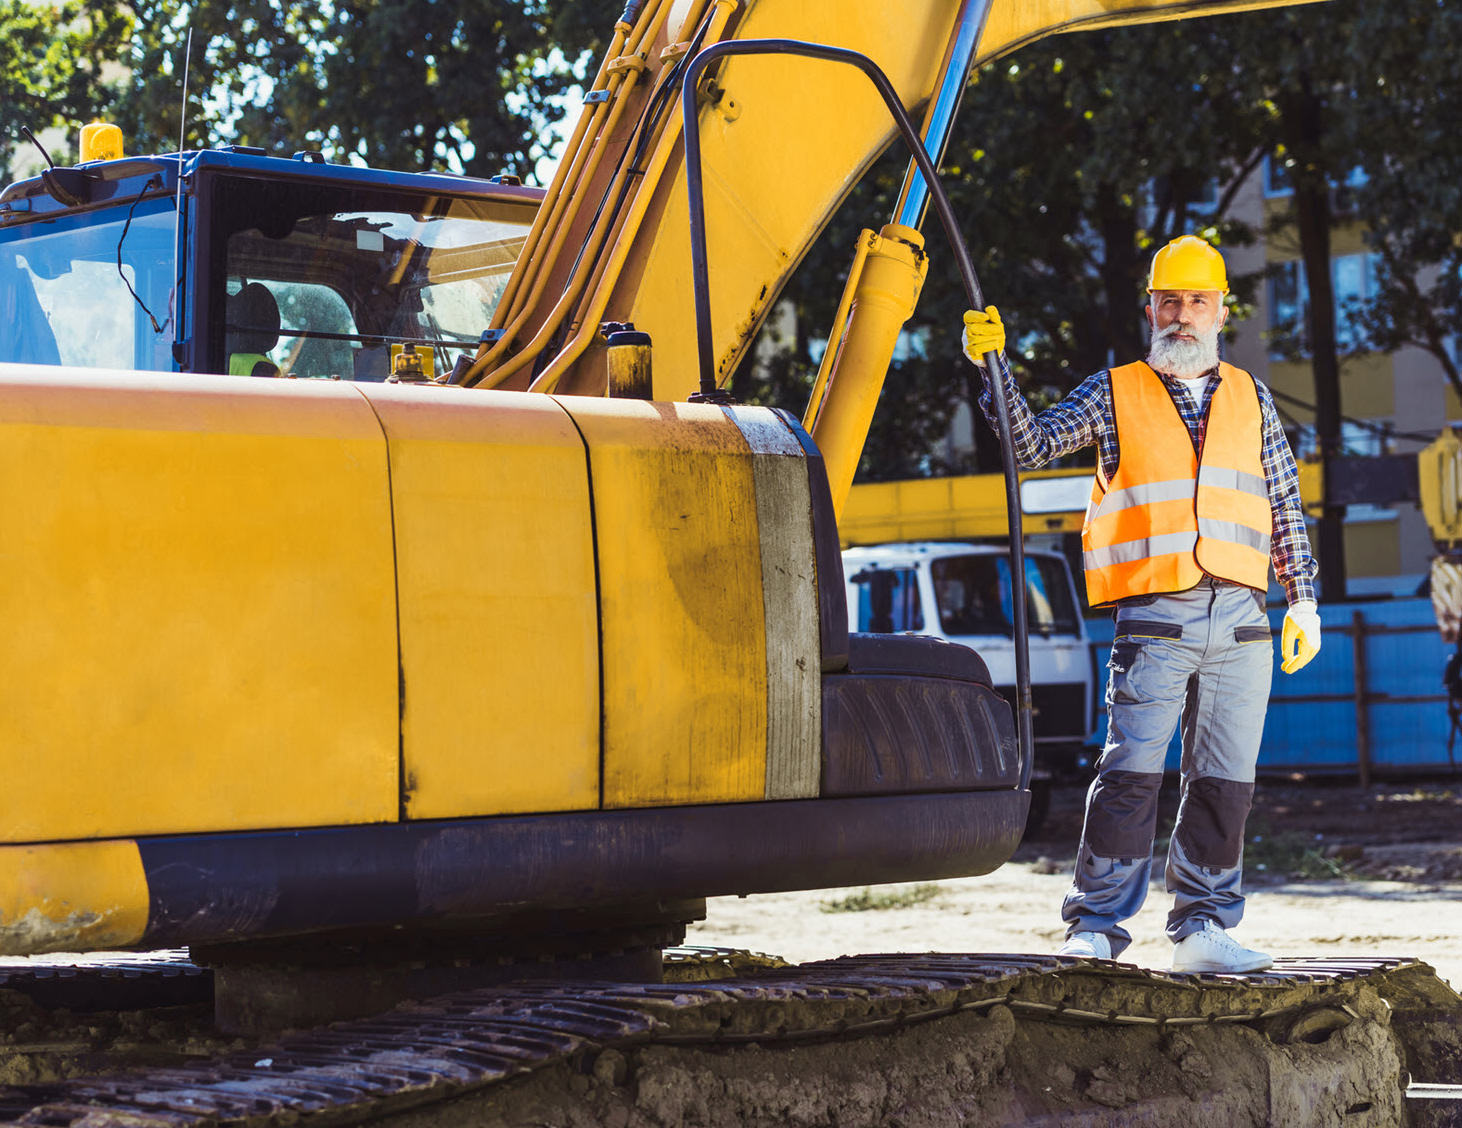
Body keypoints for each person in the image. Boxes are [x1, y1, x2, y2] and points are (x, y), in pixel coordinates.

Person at [961, 234, 1322, 974]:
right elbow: (1030, 446)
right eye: (1169, 300)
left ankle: (1204, 926)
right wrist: (993, 367)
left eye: (1197, 301)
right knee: (1130, 776)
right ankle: (1096, 924)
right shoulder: (1113, 391)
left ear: (1221, 311)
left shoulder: (1253, 398)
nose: (1182, 315)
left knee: (1226, 781)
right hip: (1157, 617)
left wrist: (1305, 600)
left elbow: (1284, 505)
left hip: (1244, 620)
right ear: (1149, 307)